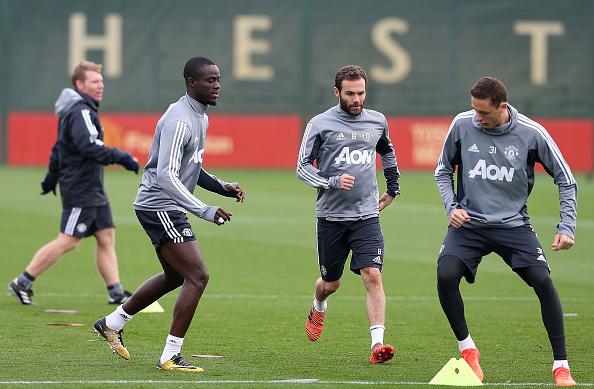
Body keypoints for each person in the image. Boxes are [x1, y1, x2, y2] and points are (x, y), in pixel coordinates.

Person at [92, 56, 244, 372]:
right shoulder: (180, 120)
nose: (217, 85)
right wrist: (205, 209)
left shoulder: (199, 117)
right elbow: (166, 176)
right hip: (160, 205)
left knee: (177, 276)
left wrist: (222, 187)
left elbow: (192, 167)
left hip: (165, 205)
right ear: (191, 82)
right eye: (210, 80)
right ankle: (170, 355)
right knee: (198, 276)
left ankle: (112, 322)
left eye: (218, 79)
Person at [434, 77, 578, 386]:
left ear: (502, 107)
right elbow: (442, 170)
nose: (477, 118)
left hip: (513, 225)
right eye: (473, 110)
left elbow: (566, 179)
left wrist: (566, 226)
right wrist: (451, 207)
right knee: (445, 275)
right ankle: (468, 350)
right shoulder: (462, 125)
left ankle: (561, 366)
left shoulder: (531, 133)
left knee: (543, 281)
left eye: (483, 113)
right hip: (468, 225)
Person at [8, 60, 139, 306]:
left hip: (92, 188)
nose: (101, 85)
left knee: (106, 236)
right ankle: (21, 283)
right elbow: (90, 147)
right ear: (79, 85)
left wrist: (50, 179)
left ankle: (116, 293)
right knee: (68, 240)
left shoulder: (79, 110)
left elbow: (59, 149)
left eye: (101, 81)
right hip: (81, 189)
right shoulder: (80, 112)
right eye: (94, 82)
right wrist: (122, 157)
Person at [296, 65, 400, 364]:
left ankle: (377, 345)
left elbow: (387, 151)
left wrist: (393, 188)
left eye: (361, 93)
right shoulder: (320, 124)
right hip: (331, 217)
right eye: (350, 94)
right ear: (337, 92)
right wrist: (330, 181)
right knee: (331, 284)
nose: (357, 99)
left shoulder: (377, 120)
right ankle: (318, 304)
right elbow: (302, 167)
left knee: (373, 275)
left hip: (367, 215)